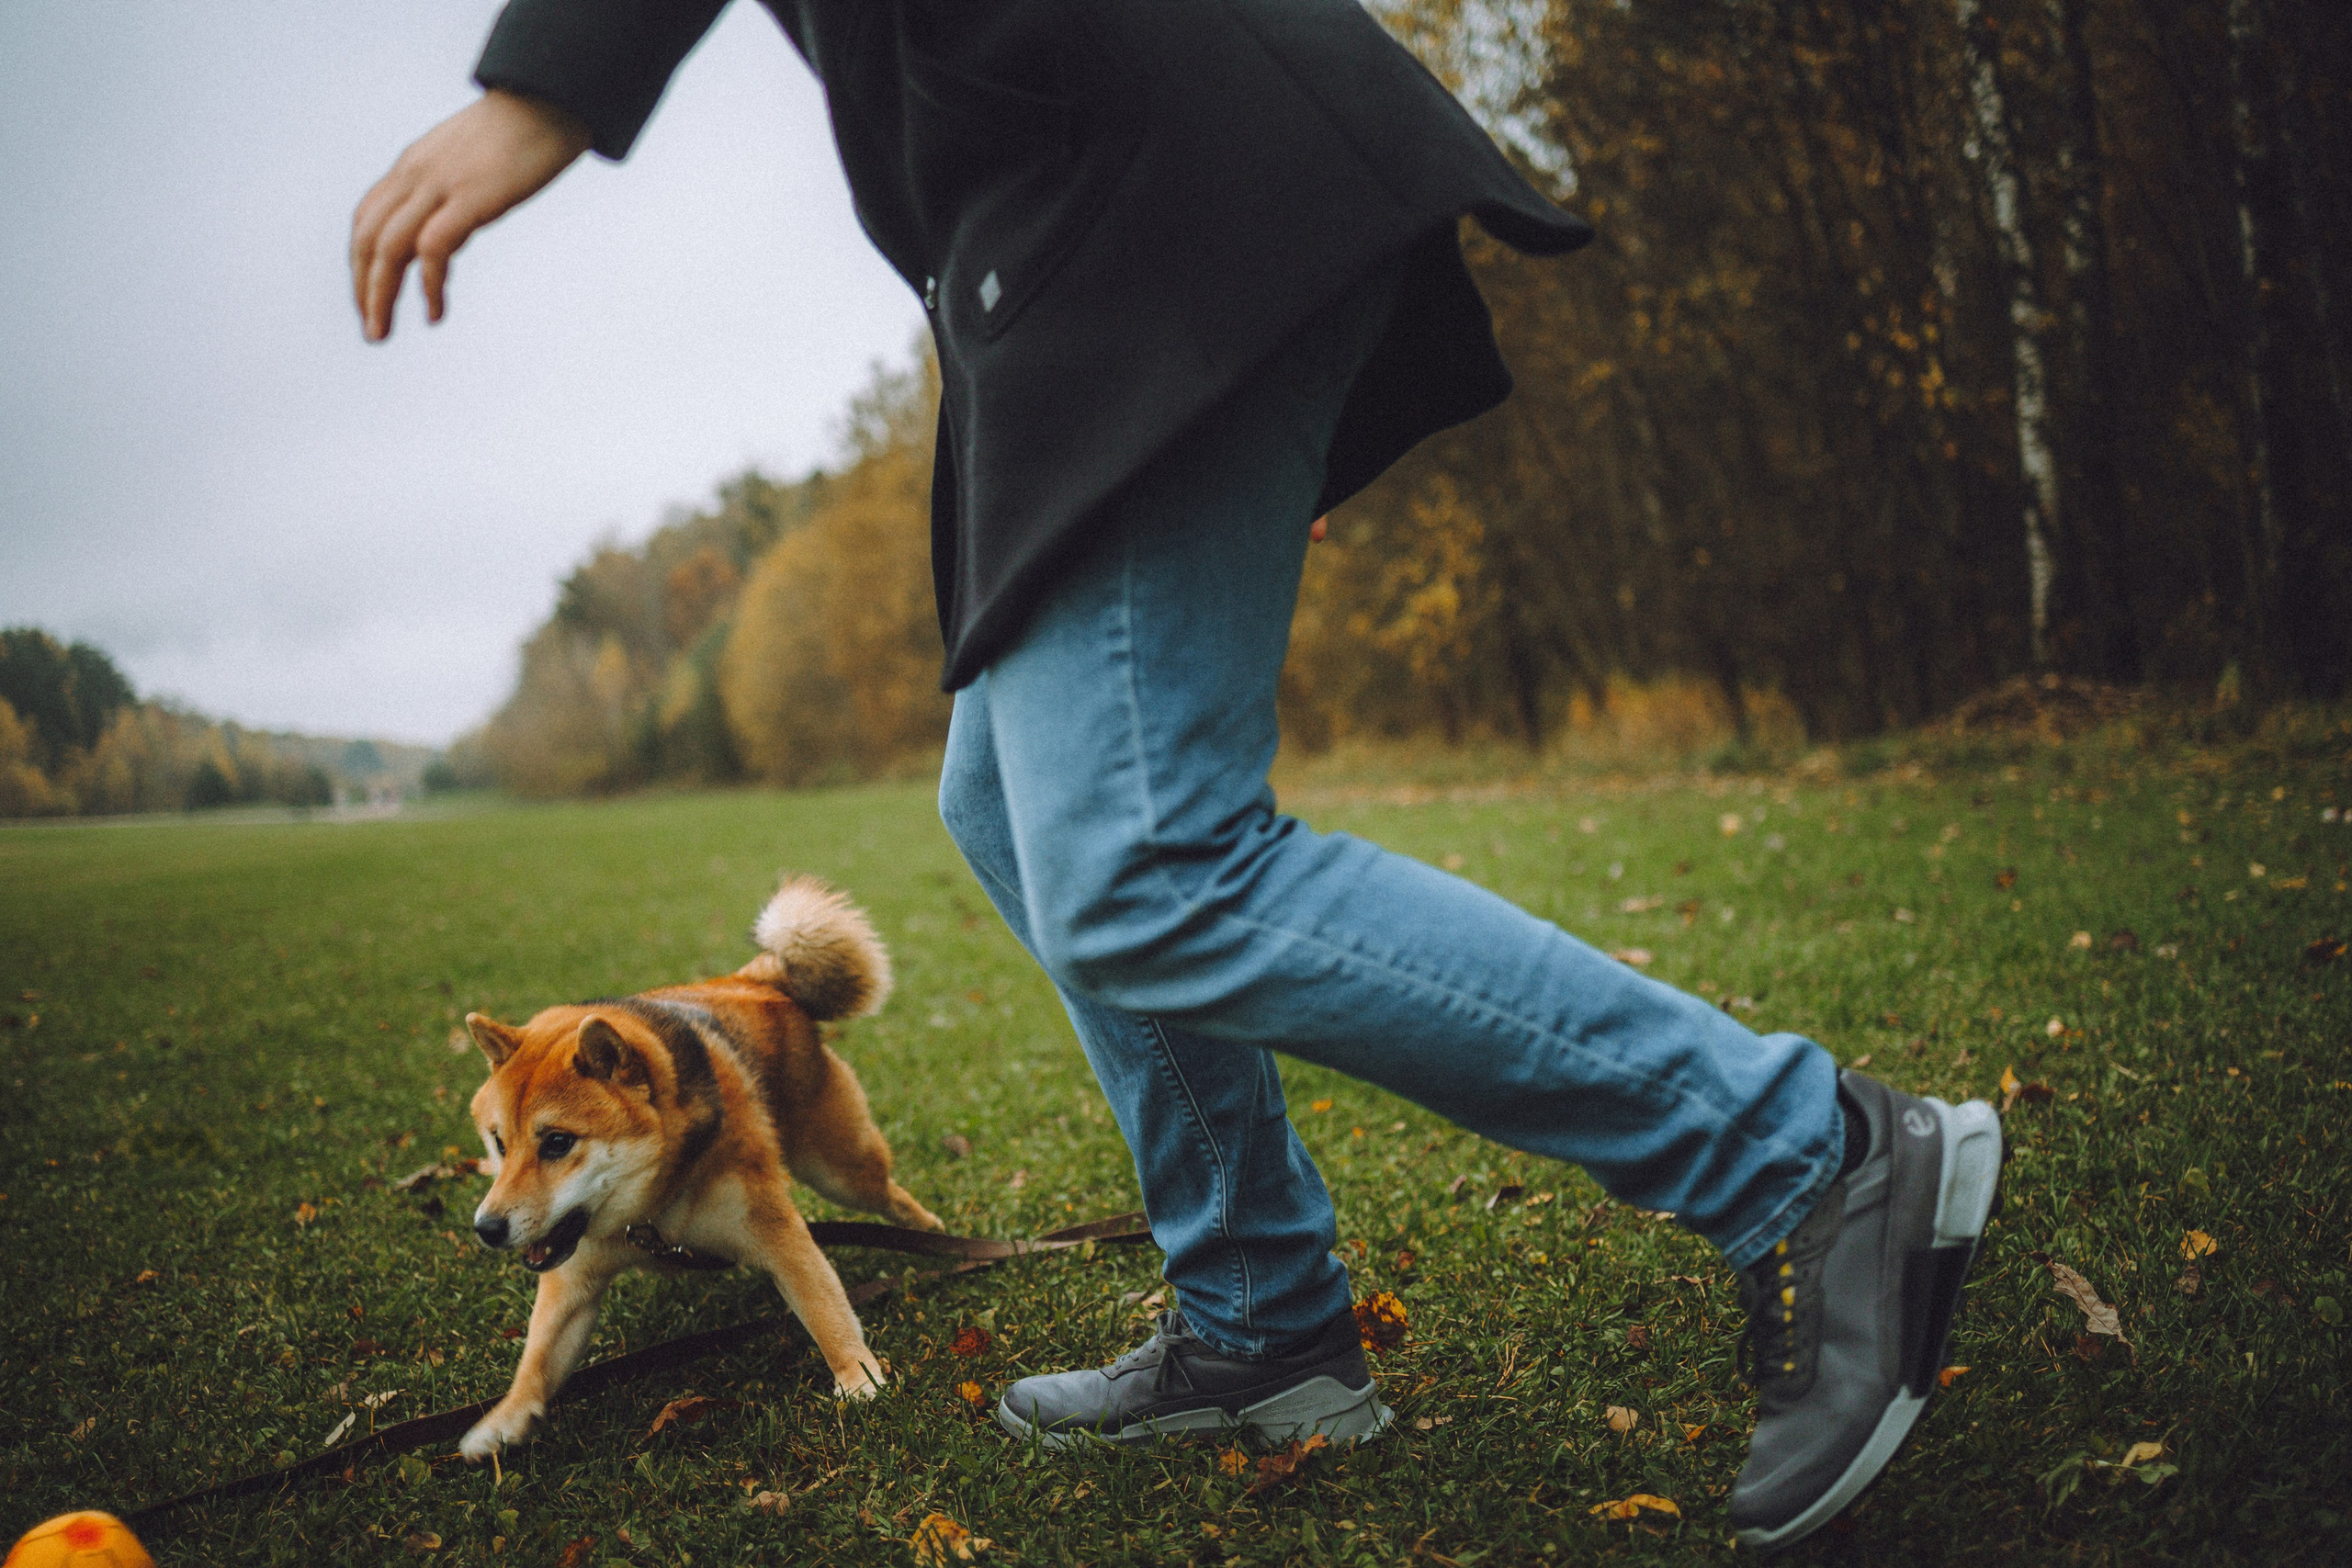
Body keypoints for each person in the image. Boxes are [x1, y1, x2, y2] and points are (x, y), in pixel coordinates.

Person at [351, 1, 2002, 1551]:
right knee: (1008, 807)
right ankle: (1268, 1320)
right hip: (1088, 264)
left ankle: (1804, 1156)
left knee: (1150, 863)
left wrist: (551, 79)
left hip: (1146, 212)